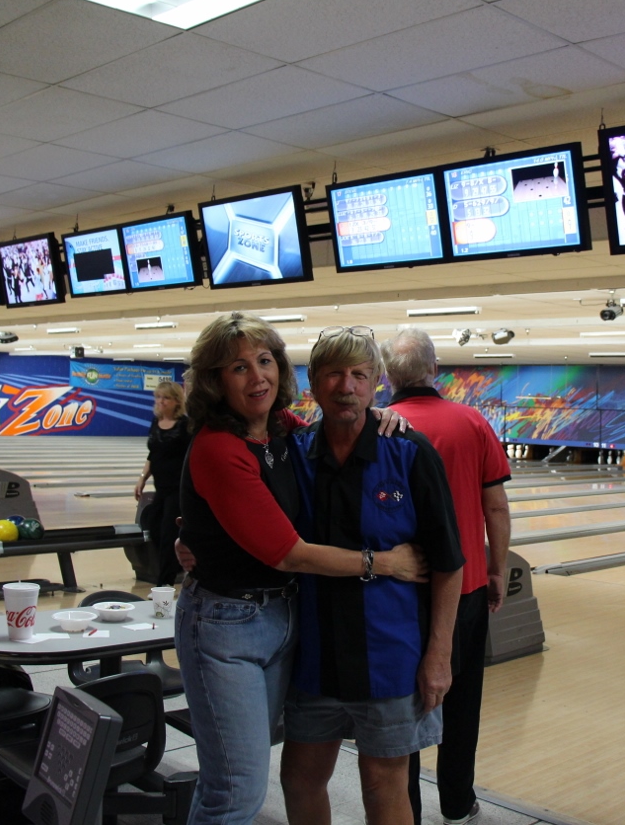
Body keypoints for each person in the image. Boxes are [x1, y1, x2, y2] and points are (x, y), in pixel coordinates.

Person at [176, 312, 426, 825]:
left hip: (282, 621)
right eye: (238, 367)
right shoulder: (219, 448)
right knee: (236, 790)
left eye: (264, 361)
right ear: (215, 380)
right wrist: (385, 564)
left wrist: (380, 416)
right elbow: (288, 552)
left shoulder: (280, 430)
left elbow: (343, 416)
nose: (258, 375)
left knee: (237, 775)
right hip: (227, 626)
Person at [280, 326, 465, 825]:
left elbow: (449, 563)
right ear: (313, 384)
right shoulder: (291, 454)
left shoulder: (409, 453)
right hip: (314, 659)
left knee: (383, 784)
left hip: (390, 659)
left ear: (377, 383)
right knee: (298, 778)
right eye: (334, 374)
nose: (347, 386)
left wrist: (439, 656)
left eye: (359, 375)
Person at [383, 328, 512, 825]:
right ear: (434, 369)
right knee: (462, 701)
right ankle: (458, 802)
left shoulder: (383, 426)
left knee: (404, 703)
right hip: (470, 586)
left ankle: (405, 808)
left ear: (388, 376)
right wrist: (497, 568)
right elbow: (495, 507)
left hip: (401, 590)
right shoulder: (472, 421)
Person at [134, 379, 192, 585]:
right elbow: (153, 453)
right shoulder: (155, 423)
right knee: (153, 526)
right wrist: (142, 479)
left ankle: (164, 584)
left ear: (177, 401)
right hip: (161, 489)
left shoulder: (185, 426)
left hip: (179, 489)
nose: (160, 401)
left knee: (168, 534)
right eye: (158, 397)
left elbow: (192, 456)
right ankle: (175, 568)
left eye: (166, 398)